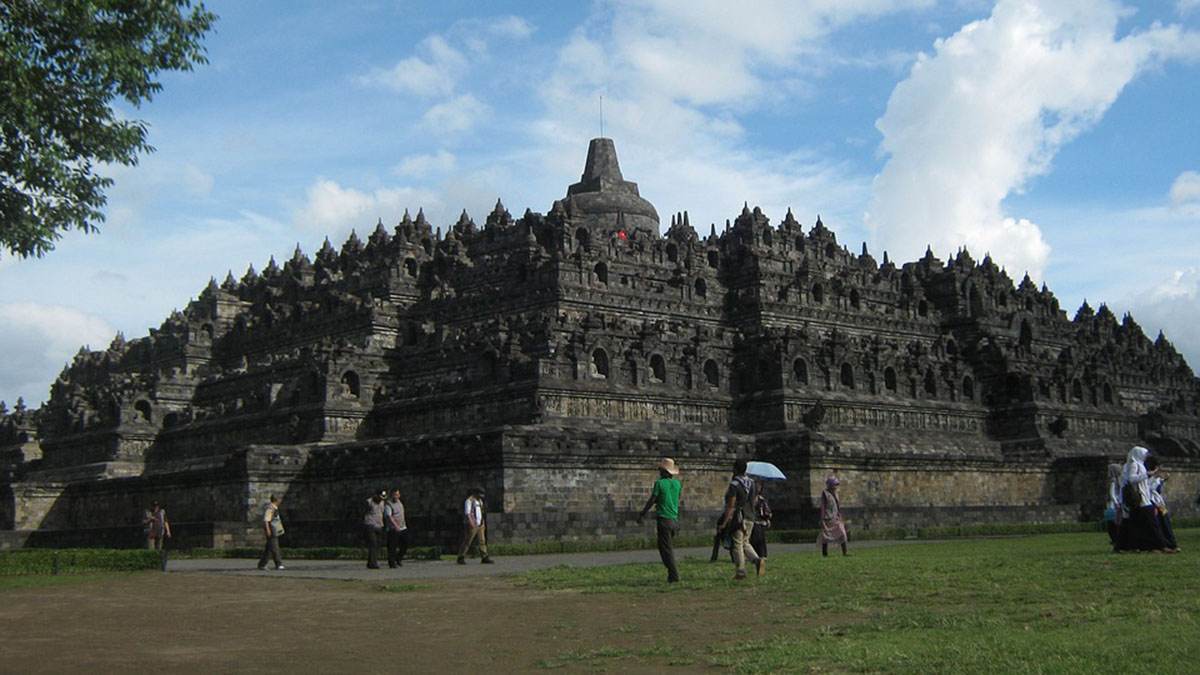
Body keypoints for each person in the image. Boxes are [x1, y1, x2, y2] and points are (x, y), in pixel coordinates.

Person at [1115, 446, 1174, 553]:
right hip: (1141, 499)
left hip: (1143, 498)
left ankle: (1134, 547)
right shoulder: (1134, 465)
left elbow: (1145, 483)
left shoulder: (1139, 465)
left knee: (1135, 526)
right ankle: (1161, 546)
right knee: (1152, 524)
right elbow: (1131, 479)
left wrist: (1154, 476)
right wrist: (1147, 474)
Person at [637, 457, 682, 583]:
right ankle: (671, 574)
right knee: (666, 546)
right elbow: (676, 498)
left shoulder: (660, 484)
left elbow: (652, 500)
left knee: (666, 549)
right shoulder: (677, 484)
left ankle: (673, 575)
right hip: (674, 518)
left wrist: (642, 513)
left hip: (664, 519)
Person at [718, 459, 763, 580]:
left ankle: (741, 571)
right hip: (750, 516)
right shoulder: (752, 483)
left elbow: (731, 505)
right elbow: (753, 500)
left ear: (735, 469)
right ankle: (757, 560)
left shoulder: (735, 485)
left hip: (739, 517)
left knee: (737, 544)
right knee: (745, 542)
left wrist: (725, 521)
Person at [1145, 457, 1181, 553]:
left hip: (1159, 502)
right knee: (1162, 524)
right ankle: (1166, 544)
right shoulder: (1149, 477)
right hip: (1154, 502)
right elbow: (1151, 488)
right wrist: (1159, 480)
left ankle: (1170, 544)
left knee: (1165, 524)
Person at [457, 487, 493, 564]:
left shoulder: (479, 501)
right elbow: (468, 513)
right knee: (468, 541)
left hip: (480, 524)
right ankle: (461, 556)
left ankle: (484, 556)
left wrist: (483, 523)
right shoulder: (469, 501)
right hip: (473, 524)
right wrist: (471, 523)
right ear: (476, 493)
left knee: (482, 541)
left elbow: (482, 512)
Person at [817, 476, 850, 557]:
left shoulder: (836, 493)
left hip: (836, 517)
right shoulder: (825, 493)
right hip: (827, 517)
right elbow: (823, 506)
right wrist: (822, 518)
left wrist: (840, 515)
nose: (835, 487)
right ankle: (824, 553)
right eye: (834, 485)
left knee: (842, 532)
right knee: (825, 536)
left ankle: (845, 551)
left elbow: (838, 505)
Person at [257, 494, 285, 570]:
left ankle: (262, 564)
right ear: (276, 500)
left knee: (269, 548)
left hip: (274, 529)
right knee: (275, 547)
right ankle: (278, 564)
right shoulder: (270, 508)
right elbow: (266, 520)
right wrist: (268, 530)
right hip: (271, 529)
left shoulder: (275, 508)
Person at [384, 488, 409, 568]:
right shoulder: (388, 504)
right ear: (391, 495)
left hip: (403, 527)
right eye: (394, 494)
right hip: (393, 529)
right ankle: (392, 563)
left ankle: (398, 558)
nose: (396, 496)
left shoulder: (400, 502)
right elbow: (389, 516)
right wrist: (395, 525)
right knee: (392, 547)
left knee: (406, 544)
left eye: (397, 494)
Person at [749, 479, 772, 563]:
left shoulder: (761, 499)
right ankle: (758, 556)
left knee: (760, 539)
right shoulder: (753, 499)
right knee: (755, 539)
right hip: (755, 521)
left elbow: (766, 511)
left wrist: (767, 519)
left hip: (760, 521)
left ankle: (762, 556)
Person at [363, 489, 386, 569]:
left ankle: (371, 561)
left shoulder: (382, 503)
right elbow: (364, 512)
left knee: (378, 544)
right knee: (373, 542)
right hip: (370, 524)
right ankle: (373, 563)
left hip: (379, 525)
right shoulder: (369, 502)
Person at [1103, 463, 1123, 548]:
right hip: (1113, 505)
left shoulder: (1115, 480)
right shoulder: (1113, 481)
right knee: (1114, 522)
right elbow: (1112, 493)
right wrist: (1116, 502)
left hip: (1113, 504)